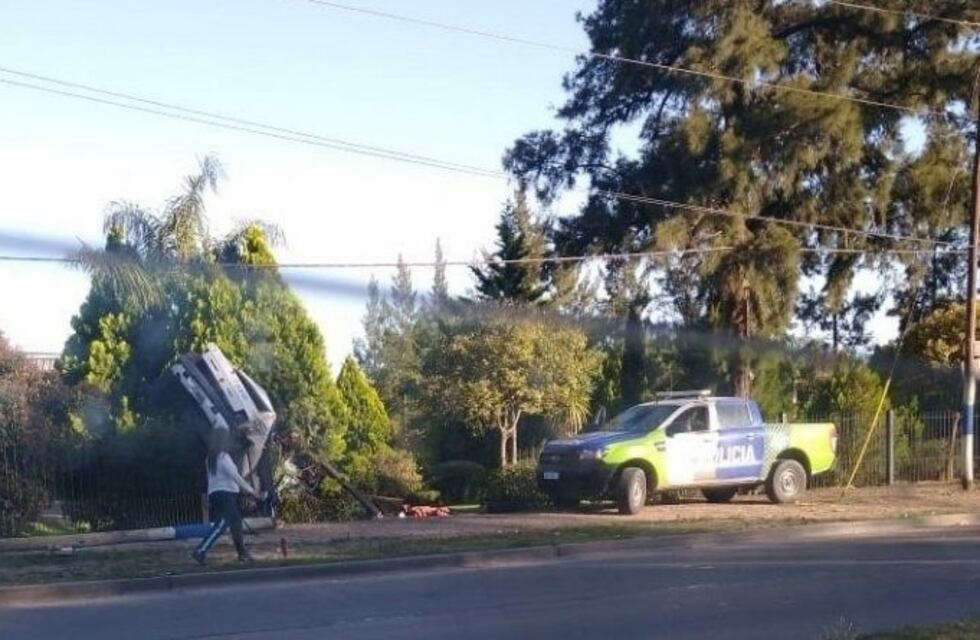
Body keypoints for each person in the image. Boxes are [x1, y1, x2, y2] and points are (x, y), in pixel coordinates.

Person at [192, 428, 261, 564]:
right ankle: (200, 551)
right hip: (225, 495)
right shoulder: (223, 457)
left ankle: (242, 554)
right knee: (221, 525)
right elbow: (235, 477)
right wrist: (251, 490)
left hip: (217, 494)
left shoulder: (210, 458)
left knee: (236, 523)